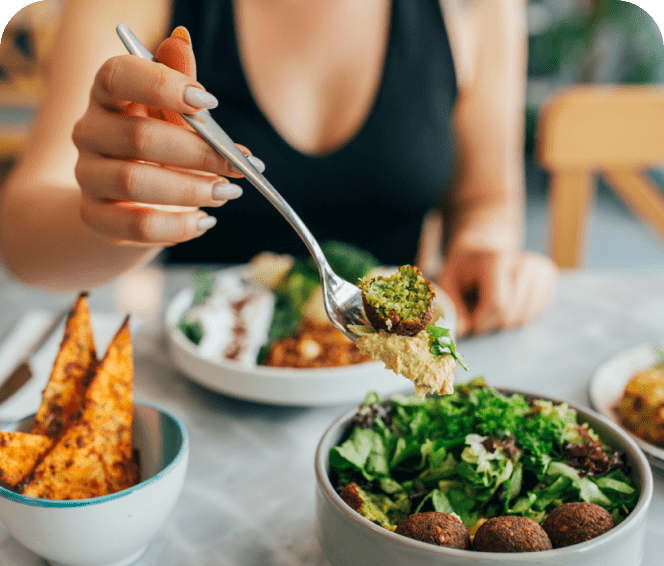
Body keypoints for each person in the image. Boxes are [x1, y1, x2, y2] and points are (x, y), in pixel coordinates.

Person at [0, 0, 556, 337]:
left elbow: (485, 198)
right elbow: (21, 236)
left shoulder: (474, 7)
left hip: (386, 391)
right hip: (199, 387)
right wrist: (123, 216)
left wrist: (483, 251)